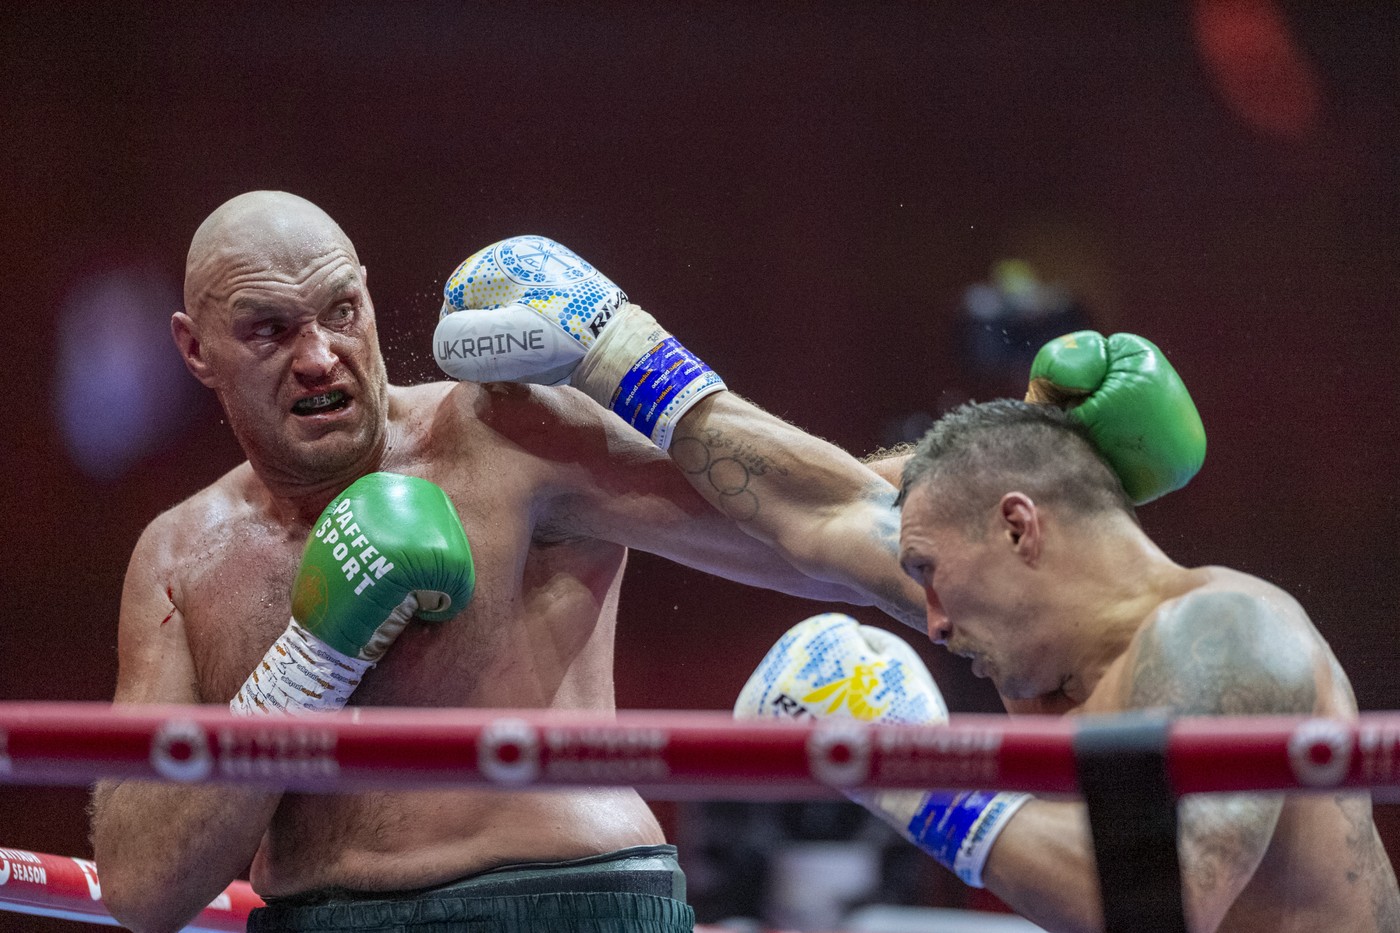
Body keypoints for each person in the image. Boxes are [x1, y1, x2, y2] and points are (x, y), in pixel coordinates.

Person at [88, 191, 929, 933]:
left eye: (341, 311)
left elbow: (810, 517)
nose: (317, 356)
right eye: (269, 329)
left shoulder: (503, 435)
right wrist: (305, 667)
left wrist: (1005, 468)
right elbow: (139, 888)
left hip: (575, 904)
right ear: (196, 350)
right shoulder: (181, 553)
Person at [743, 399, 1400, 932]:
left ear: (1018, 527)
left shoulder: (1228, 627)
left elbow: (1158, 908)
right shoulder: (1066, 679)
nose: (934, 620)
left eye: (929, 571)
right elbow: (811, 513)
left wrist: (908, 763)